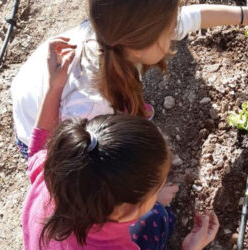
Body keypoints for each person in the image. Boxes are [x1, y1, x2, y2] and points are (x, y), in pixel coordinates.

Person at [12, 0, 248, 158]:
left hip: (48, 93)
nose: (174, 39)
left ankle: (128, 110)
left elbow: (191, 18)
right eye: (168, 33)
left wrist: (246, 16)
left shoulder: (116, 32)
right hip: (43, 141)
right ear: (137, 45)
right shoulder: (89, 106)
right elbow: (66, 166)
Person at [23, 38, 219, 250]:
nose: (158, 190)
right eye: (155, 188)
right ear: (124, 212)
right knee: (159, 217)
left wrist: (55, 86)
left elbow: (40, 143)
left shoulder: (52, 172)